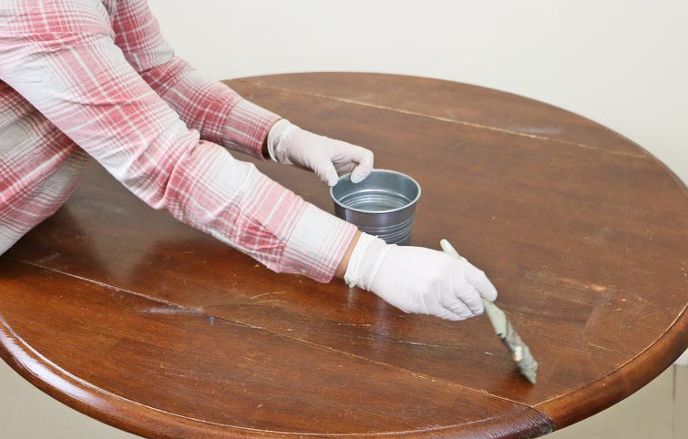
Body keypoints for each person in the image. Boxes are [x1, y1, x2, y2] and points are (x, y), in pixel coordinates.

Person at [0, 0, 497, 321]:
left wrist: (281, 137)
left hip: (48, 218)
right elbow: (171, 164)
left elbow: (154, 72)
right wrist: (371, 261)